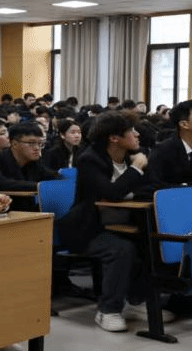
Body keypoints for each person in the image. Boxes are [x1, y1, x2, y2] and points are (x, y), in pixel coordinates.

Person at [57, 111, 160, 332]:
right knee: (121, 249)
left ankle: (136, 302)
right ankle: (108, 310)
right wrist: (135, 170)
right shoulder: (89, 159)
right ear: (114, 138)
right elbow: (111, 192)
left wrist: (128, 188)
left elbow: (153, 187)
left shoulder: (136, 155)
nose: (137, 135)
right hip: (87, 229)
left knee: (148, 243)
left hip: (124, 224)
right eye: (131, 131)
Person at [0, 122, 59, 211]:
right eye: (31, 143)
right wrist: (40, 186)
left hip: (27, 210)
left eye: (40, 143)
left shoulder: (33, 162)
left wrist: (62, 178)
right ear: (14, 144)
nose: (37, 148)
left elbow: (51, 175)